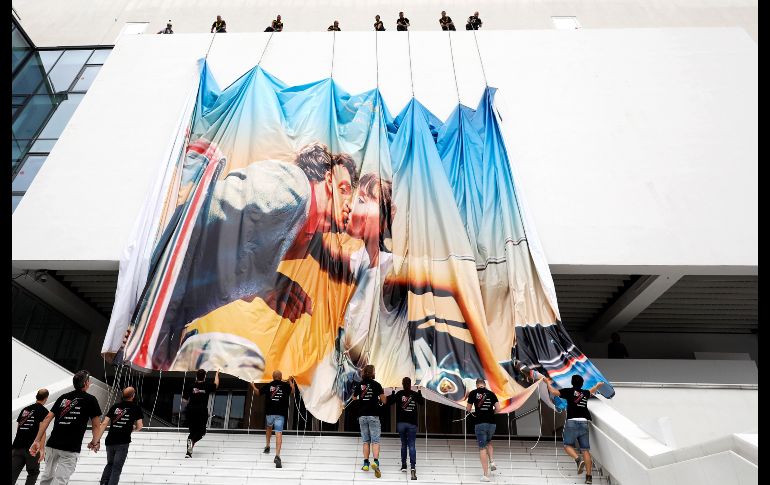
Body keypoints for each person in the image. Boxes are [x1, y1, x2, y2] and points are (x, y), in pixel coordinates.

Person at [29, 371, 102, 485]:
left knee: (47, 477)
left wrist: (37, 440)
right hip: (70, 448)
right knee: (60, 481)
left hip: (53, 445)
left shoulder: (63, 398)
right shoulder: (90, 399)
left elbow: (47, 418)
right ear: (87, 383)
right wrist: (95, 442)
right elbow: (96, 425)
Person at [545, 375, 605, 485]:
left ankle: (578, 460)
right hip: (584, 422)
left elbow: (553, 392)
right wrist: (598, 385)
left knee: (567, 445)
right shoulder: (585, 393)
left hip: (572, 422)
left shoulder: (568, 391)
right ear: (582, 384)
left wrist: (547, 382)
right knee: (585, 450)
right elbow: (593, 390)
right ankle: (589, 477)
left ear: (572, 383)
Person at [91, 387, 144, 485]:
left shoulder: (115, 406)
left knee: (110, 464)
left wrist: (96, 441)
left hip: (110, 441)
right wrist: (133, 429)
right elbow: (140, 426)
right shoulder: (136, 408)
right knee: (116, 468)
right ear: (133, 396)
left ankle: (103, 483)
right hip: (122, 443)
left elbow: (103, 424)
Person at [250, 371, 295, 468]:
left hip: (269, 413)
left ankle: (267, 445)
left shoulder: (269, 385)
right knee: (278, 433)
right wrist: (290, 381)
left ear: (273, 377)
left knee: (269, 427)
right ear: (281, 377)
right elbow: (292, 391)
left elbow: (258, 392)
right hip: (280, 414)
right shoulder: (285, 385)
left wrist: (253, 385)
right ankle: (277, 455)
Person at [352, 365, 386, 478]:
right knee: (375, 441)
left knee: (366, 441)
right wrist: (380, 396)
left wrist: (362, 401)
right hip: (374, 416)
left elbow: (354, 398)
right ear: (372, 373)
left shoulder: (359, 385)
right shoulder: (377, 385)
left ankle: (366, 463)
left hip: (362, 416)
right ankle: (375, 462)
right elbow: (384, 400)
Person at [387, 377, 423, 480]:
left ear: (402, 384)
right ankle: (413, 467)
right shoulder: (414, 394)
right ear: (410, 384)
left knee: (403, 444)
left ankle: (403, 465)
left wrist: (393, 390)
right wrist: (419, 390)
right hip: (412, 424)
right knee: (412, 445)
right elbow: (421, 402)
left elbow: (391, 402)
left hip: (401, 423)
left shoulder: (399, 394)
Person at [12, 388, 49, 485]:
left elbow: (18, 428)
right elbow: (43, 431)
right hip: (32, 448)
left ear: (37, 396)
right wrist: (42, 449)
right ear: (46, 398)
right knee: (33, 472)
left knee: (13, 473)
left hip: (17, 447)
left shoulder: (25, 410)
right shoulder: (44, 411)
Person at [466, 378, 499, 482]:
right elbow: (498, 408)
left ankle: (485, 475)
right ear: (484, 385)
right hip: (492, 424)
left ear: (477, 385)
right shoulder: (491, 393)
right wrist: (491, 414)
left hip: (480, 423)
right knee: (489, 442)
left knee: (482, 448)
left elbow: (468, 408)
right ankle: (492, 461)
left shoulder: (473, 393)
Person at [182, 368, 220, 457]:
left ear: (196, 376)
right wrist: (217, 373)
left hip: (190, 411)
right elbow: (216, 384)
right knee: (201, 431)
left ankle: (189, 452)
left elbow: (184, 400)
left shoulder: (190, 386)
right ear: (205, 376)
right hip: (201, 411)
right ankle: (192, 442)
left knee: (192, 432)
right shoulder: (207, 385)